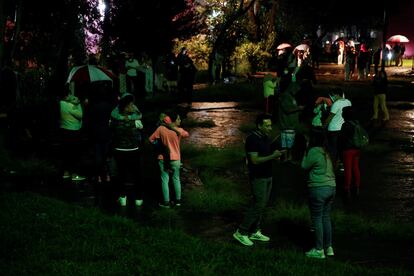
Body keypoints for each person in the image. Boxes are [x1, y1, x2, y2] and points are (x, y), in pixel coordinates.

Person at [233, 114, 285, 246]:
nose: (270, 128)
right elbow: (254, 160)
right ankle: (241, 231)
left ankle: (255, 230)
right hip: (258, 176)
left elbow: (267, 155)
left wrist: (277, 156)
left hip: (268, 175)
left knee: (262, 205)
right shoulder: (252, 139)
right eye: (267, 125)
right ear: (259, 126)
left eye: (270, 125)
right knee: (258, 204)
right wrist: (272, 156)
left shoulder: (265, 138)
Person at [301, 129, 336, 259]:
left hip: (318, 188)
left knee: (317, 219)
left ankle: (319, 249)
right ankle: (329, 247)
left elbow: (304, 166)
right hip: (332, 187)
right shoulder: (326, 151)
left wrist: (305, 150)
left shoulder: (314, 151)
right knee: (326, 217)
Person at [149, 111, 189, 208]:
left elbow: (151, 139)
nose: (180, 120)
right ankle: (178, 201)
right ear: (173, 121)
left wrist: (158, 145)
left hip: (163, 158)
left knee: (164, 180)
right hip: (176, 158)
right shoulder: (178, 130)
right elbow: (186, 134)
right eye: (178, 119)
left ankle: (166, 202)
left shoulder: (161, 129)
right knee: (176, 179)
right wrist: (176, 129)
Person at [110, 94, 144, 207]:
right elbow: (139, 115)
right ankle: (138, 198)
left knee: (121, 174)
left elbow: (112, 133)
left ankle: (123, 197)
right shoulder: (137, 122)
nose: (133, 106)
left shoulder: (114, 121)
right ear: (127, 106)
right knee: (136, 174)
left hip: (119, 150)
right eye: (131, 104)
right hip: (133, 149)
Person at [59, 90, 85, 181]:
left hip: (63, 130)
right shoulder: (71, 105)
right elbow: (80, 115)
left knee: (66, 152)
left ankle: (66, 172)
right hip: (73, 131)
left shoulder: (61, 103)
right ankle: (74, 174)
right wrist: (78, 103)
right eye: (70, 94)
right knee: (75, 153)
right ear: (67, 96)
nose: (72, 96)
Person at [324, 88, 351, 164]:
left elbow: (330, 118)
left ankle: (333, 165)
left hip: (334, 129)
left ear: (336, 95)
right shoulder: (348, 102)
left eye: (332, 95)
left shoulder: (336, 104)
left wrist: (324, 126)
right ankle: (342, 163)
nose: (331, 98)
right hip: (343, 128)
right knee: (342, 148)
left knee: (333, 149)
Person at [338, 106, 361, 198]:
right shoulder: (357, 123)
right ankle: (357, 187)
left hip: (348, 150)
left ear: (345, 115)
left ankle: (347, 189)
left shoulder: (345, 125)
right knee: (355, 167)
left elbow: (342, 139)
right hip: (357, 149)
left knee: (347, 169)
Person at [278, 82, 304, 159]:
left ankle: (288, 157)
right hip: (287, 124)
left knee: (288, 144)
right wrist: (299, 108)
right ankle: (287, 158)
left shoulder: (290, 96)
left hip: (290, 125)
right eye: (296, 89)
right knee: (287, 144)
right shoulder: (286, 96)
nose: (296, 91)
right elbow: (288, 109)